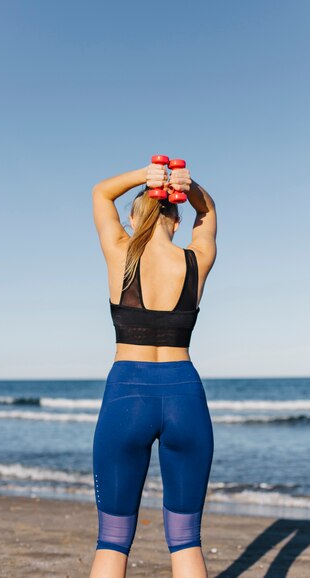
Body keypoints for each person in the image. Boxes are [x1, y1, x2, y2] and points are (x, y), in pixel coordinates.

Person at [89, 160, 217, 578]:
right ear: (176, 222)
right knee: (186, 541)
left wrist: (146, 176)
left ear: (133, 215)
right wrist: (190, 186)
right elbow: (209, 213)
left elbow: (100, 192)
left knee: (112, 541)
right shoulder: (197, 259)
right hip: (185, 398)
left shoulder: (119, 253)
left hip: (128, 394)